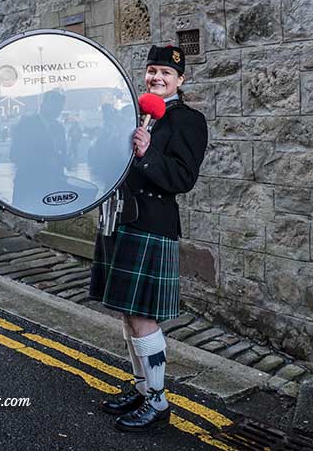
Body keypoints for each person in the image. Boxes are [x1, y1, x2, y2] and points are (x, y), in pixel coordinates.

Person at [88, 44, 208, 433]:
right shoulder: (133, 112)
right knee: (127, 312)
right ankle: (143, 388)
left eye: (166, 74)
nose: (157, 78)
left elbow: (183, 178)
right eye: (152, 71)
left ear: (180, 80)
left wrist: (147, 153)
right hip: (121, 219)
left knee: (143, 317)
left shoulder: (188, 120)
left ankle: (158, 402)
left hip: (151, 225)